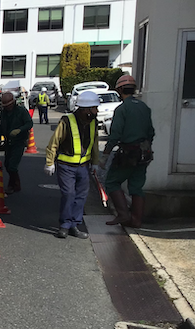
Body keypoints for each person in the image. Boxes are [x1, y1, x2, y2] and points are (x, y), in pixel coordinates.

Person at [44, 90, 101, 239]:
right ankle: (64, 225)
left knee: (81, 196)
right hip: (66, 166)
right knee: (69, 194)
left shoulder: (93, 122)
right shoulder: (67, 121)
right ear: (86, 109)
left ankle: (74, 225)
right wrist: (50, 162)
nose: (97, 111)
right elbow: (54, 142)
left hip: (84, 167)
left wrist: (95, 162)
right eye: (94, 108)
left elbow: (95, 144)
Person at [101, 75, 155, 228]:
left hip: (128, 152)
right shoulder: (144, 107)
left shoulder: (122, 109)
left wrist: (105, 155)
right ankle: (136, 220)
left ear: (119, 90)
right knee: (137, 186)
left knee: (112, 181)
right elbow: (151, 132)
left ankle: (123, 214)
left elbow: (115, 135)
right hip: (144, 153)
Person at [0, 91, 33, 193]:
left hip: (19, 142)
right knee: (7, 164)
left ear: (13, 103)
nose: (7, 107)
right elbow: (0, 126)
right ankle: (15, 184)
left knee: (12, 165)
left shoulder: (21, 111)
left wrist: (19, 130)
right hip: (8, 142)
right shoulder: (4, 113)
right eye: (5, 106)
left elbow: (29, 123)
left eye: (9, 105)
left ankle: (13, 185)